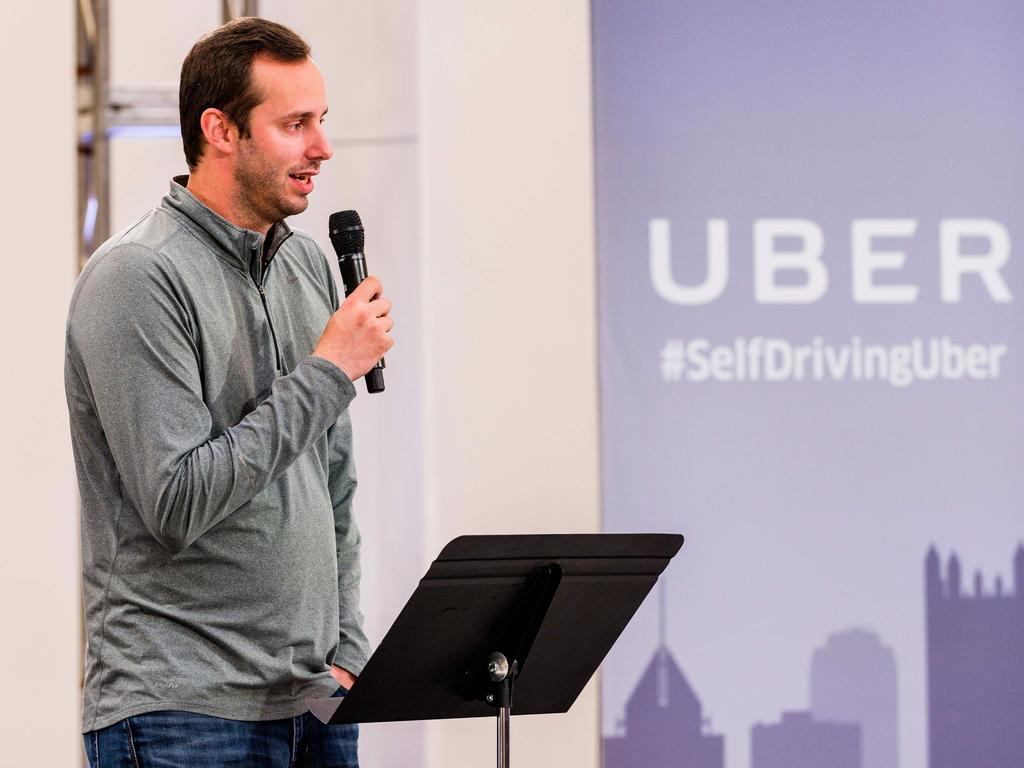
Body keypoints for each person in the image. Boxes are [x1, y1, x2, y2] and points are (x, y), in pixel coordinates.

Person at [65, 17, 392, 768]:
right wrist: (325, 374)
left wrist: (346, 649)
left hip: (316, 700)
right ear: (221, 130)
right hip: (183, 709)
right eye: (295, 124)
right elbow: (176, 501)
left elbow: (331, 479)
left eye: (322, 122)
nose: (322, 148)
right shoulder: (136, 279)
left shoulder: (307, 266)